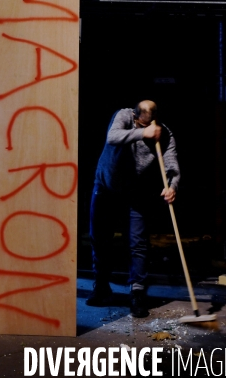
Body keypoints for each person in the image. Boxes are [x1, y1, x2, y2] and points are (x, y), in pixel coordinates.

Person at [86, 100, 180, 318]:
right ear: (136, 116)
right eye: (140, 122)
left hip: (136, 190)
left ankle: (137, 293)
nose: (145, 125)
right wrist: (142, 133)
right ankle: (101, 288)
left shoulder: (165, 133)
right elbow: (112, 137)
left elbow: (172, 166)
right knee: (100, 239)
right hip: (106, 186)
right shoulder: (123, 116)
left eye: (150, 122)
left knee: (137, 243)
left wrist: (172, 186)